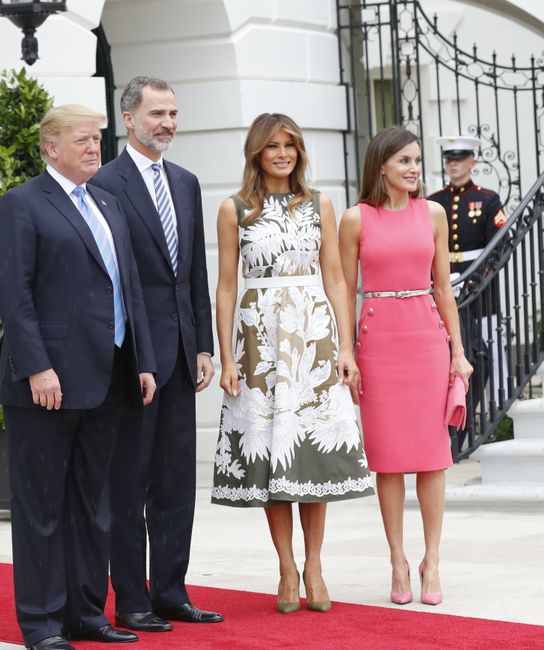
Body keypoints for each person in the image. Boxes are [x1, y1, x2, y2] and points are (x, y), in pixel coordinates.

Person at [0, 104, 158, 650]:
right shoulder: (21, 204)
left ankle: (86, 611)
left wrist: (143, 361)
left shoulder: (106, 201)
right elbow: (14, 295)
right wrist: (38, 366)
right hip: (49, 381)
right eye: (82, 140)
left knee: (93, 504)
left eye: (97, 139)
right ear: (50, 148)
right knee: (42, 507)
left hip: (107, 375)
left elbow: (129, 289)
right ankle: (41, 622)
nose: (93, 147)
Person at [211, 113, 374, 614]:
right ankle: (285, 568)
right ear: (256, 152)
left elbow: (337, 280)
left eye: (291, 145)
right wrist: (227, 358)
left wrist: (345, 348)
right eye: (273, 146)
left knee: (310, 458)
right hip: (258, 342)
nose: (283, 153)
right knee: (270, 459)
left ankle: (315, 566)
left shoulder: (320, 203)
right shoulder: (234, 209)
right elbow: (226, 285)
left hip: (314, 336)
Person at [90, 76, 222, 633]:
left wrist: (204, 346)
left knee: (174, 482)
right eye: (157, 114)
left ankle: (170, 592)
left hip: (180, 354)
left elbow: (192, 272)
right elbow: (118, 281)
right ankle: (134, 598)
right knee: (130, 483)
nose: (167, 123)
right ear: (129, 119)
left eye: (173, 113)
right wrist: (142, 352)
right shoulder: (104, 183)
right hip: (134, 362)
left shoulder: (187, 183)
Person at [338, 126, 474, 606]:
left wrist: (457, 352)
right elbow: (343, 290)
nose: (414, 168)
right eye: (404, 161)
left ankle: (431, 559)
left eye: (417, 160)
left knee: (433, 457)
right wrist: (347, 350)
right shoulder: (356, 219)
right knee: (390, 461)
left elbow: (444, 288)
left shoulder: (433, 213)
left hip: (426, 339)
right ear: (381, 167)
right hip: (379, 342)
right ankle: (397, 558)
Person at [428, 136, 509, 407]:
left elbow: (499, 246)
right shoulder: (434, 201)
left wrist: (478, 280)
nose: (453, 164)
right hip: (443, 279)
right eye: (449, 159)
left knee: (490, 343)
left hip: (479, 283)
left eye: (459, 159)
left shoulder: (487, 199)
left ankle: (497, 403)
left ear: (472, 162)